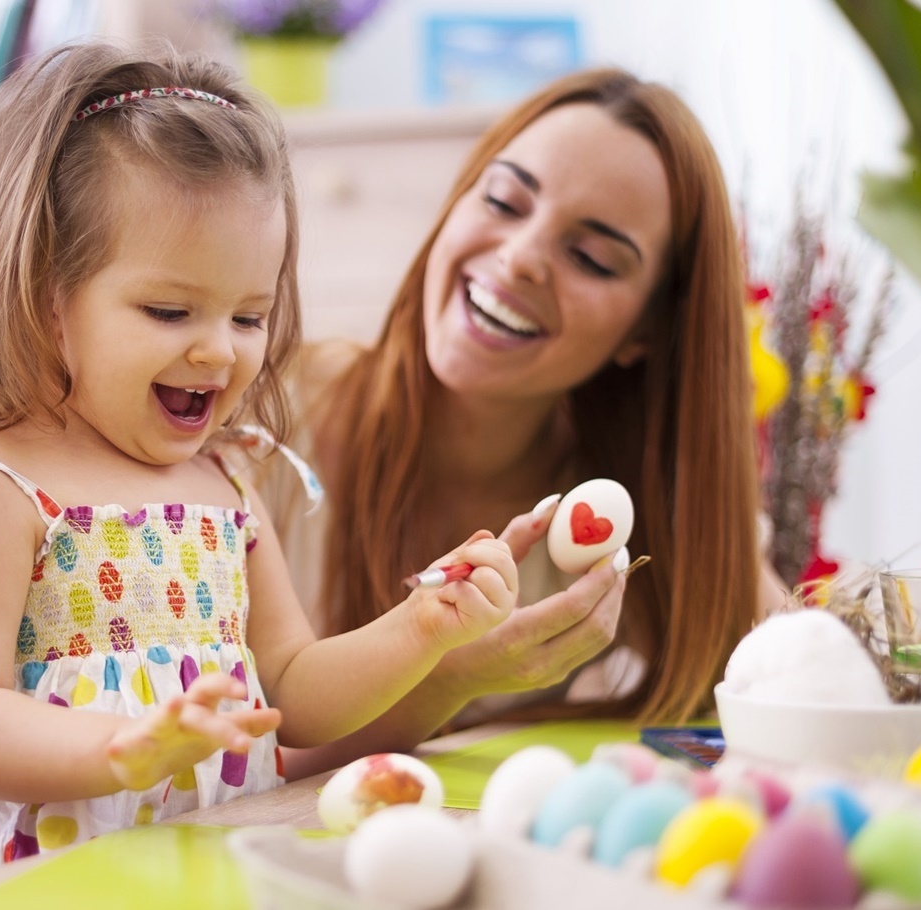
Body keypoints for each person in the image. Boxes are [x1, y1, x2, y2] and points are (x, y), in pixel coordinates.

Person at [0, 42, 518, 898]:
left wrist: (424, 627)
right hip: (37, 879)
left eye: (249, 316)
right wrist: (118, 748)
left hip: (198, 870)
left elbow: (294, 689)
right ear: (43, 296)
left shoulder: (226, 486)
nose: (218, 349)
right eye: (169, 310)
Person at [259, 67, 778, 777]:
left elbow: (803, 686)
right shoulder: (262, 422)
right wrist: (450, 674)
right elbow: (230, 768)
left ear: (647, 332)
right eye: (504, 199)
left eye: (590, 257)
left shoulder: (617, 514)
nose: (521, 255)